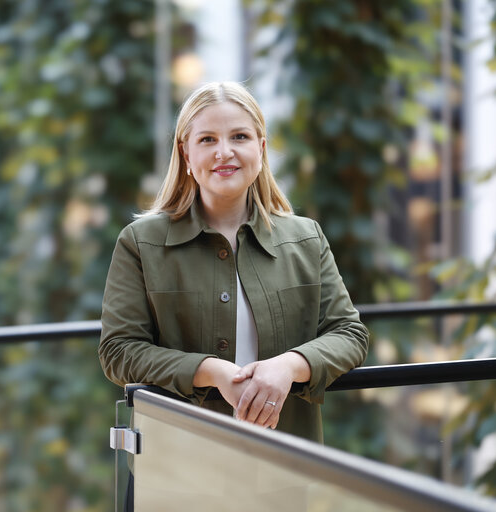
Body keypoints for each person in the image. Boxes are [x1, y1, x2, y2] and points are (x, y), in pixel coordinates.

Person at [99, 81, 368, 440]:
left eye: (239, 137)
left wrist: (289, 366)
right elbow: (119, 350)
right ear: (186, 153)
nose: (224, 152)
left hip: (284, 457)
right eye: (207, 139)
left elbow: (349, 334)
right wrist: (211, 372)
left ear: (261, 147)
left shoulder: (306, 239)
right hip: (179, 463)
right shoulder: (141, 243)